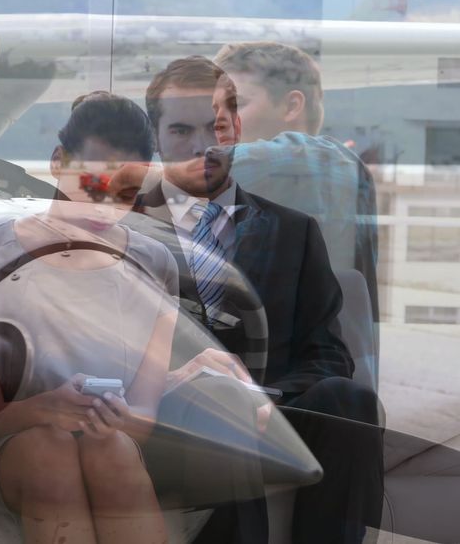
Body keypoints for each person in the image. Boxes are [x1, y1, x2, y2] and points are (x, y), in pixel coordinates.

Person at [134, 56, 382, 543]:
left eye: (216, 126)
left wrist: (265, 398)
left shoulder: (293, 231)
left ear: (237, 128)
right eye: (181, 130)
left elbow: (327, 354)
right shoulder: (123, 226)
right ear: (154, 136)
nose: (202, 145)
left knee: (347, 399)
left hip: (268, 409)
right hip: (162, 413)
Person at [0, 91, 176, 544]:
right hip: (13, 444)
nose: (105, 206)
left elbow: (145, 415)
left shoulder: (154, 263)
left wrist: (116, 419)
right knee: (48, 448)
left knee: (109, 447)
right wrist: (42, 409)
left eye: (127, 193)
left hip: (111, 446)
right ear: (58, 162)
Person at [213, 41, 378, 318]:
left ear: (292, 105)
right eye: (212, 107)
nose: (217, 119)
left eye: (237, 104)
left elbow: (207, 169)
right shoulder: (250, 190)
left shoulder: (328, 164)